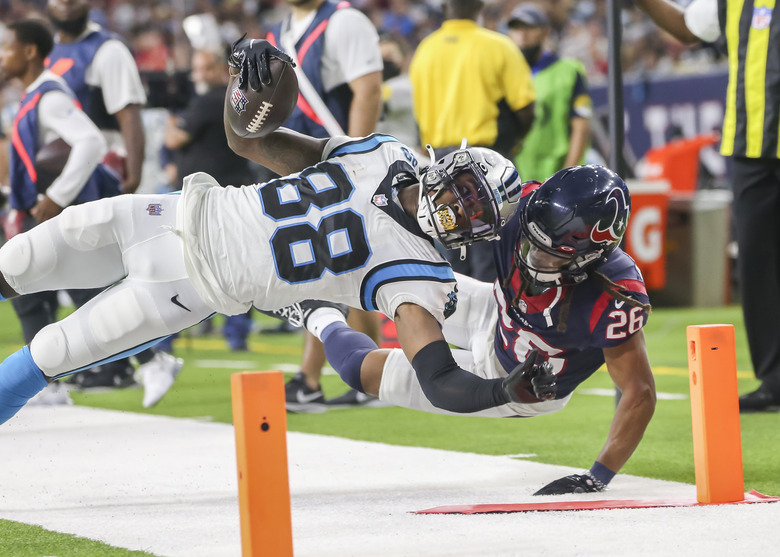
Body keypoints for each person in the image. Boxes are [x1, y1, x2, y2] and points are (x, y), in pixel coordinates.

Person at [0, 38, 534, 427]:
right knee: (14, 265)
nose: (459, 211)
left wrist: (499, 391)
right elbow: (247, 140)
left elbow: (439, 380)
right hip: (161, 214)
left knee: (47, 353)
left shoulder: (418, 273)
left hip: (184, 292)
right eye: (466, 191)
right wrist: (247, 74)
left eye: (475, 214)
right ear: (450, 164)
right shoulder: (381, 151)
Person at [289, 165, 657, 495]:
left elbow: (639, 392)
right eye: (531, 242)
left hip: (516, 381)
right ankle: (294, 283)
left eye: (550, 254)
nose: (532, 258)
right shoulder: (523, 206)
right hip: (493, 309)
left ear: (592, 255)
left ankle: (315, 314)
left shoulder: (613, 295)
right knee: (387, 273)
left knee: (362, 371)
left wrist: (597, 477)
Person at [632, 0, 780, 412]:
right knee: (757, 263)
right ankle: (774, 379)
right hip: (750, 146)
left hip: (756, 145)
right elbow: (686, 27)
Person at [265, 0, 386, 411]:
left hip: (336, 167)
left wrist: (355, 163)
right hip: (300, 169)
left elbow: (367, 88)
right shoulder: (280, 31)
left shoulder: (344, 21)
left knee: (325, 266)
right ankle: (369, 375)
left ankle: (312, 378)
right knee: (342, 269)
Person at [1, 19, 122, 405]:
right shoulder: (33, 95)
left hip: (55, 207)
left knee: (71, 287)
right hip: (37, 206)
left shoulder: (49, 96)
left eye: (7, 47)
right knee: (43, 290)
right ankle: (50, 386)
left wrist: (55, 195)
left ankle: (150, 358)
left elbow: (90, 141)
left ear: (29, 52)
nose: (2, 56)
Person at [45, 0, 157, 390]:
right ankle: (120, 360)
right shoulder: (49, 51)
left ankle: (141, 357)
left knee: (91, 271)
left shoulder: (107, 49)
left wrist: (134, 171)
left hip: (98, 171)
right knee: (76, 273)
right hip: (59, 175)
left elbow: (129, 114)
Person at [409, 0, 535, 283]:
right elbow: (525, 108)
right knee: (492, 250)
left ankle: (456, 322)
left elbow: (419, 112)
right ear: (479, 6)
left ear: (444, 7)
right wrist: (514, 140)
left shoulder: (425, 50)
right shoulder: (497, 45)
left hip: (438, 159)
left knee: (451, 249)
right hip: (483, 159)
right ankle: (493, 323)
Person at [165, 48, 254, 357]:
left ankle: (165, 337)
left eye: (204, 69)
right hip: (233, 191)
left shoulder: (209, 99)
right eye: (195, 69)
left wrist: (172, 113)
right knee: (238, 264)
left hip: (204, 201)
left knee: (180, 265)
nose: (198, 75)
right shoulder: (236, 97)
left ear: (220, 69)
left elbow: (174, 138)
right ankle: (237, 333)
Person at [505, 4, 592, 183]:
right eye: (516, 28)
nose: (522, 34)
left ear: (545, 32)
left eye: (529, 27)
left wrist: (568, 175)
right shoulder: (504, 73)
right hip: (513, 174)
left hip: (553, 171)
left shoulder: (568, 71)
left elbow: (581, 125)